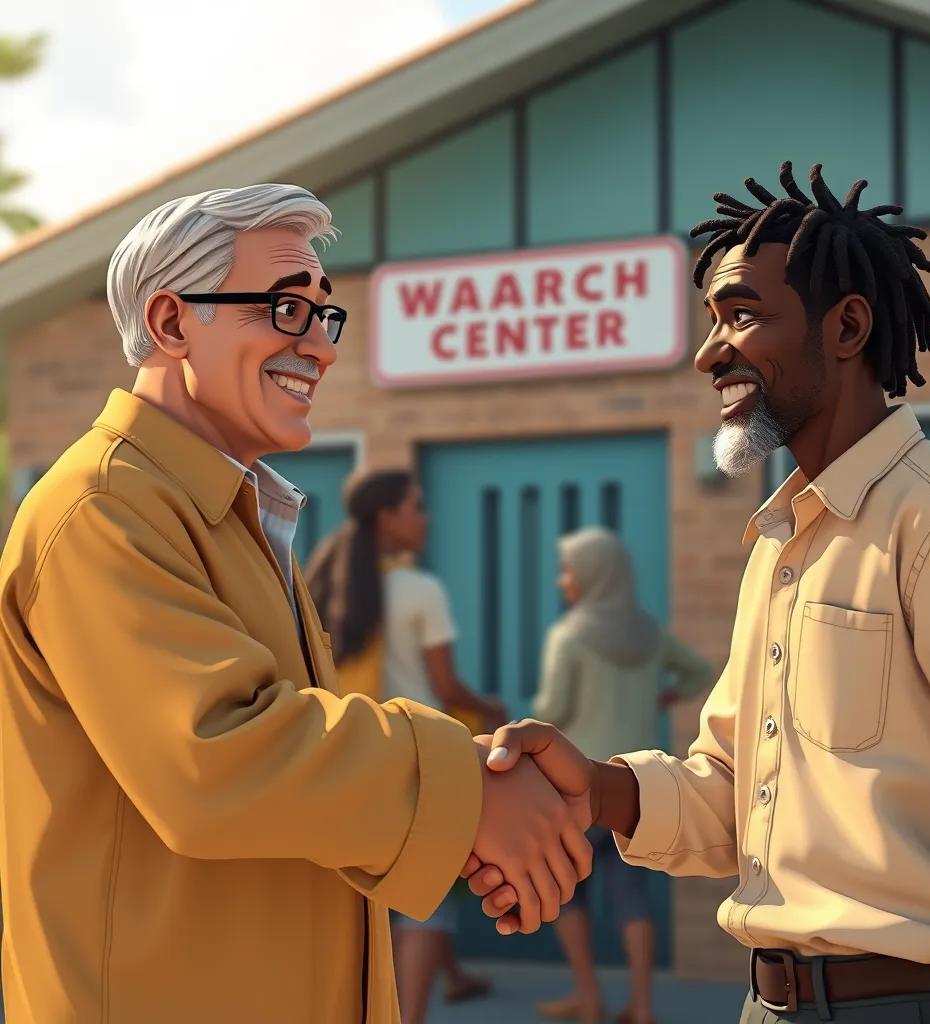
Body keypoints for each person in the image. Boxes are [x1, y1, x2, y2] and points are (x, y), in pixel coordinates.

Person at [0, 184, 591, 1023]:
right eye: (284, 309)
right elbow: (218, 758)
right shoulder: (103, 507)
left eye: (325, 314)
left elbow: (297, 771)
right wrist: (470, 791)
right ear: (172, 325)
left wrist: (465, 813)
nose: (320, 346)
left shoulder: (226, 515)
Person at [465, 162, 930, 1024]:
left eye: (742, 315)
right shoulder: (777, 543)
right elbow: (730, 792)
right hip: (768, 1005)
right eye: (713, 320)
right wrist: (594, 789)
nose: (707, 353)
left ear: (846, 326)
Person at [306, 468, 507, 1023]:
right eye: (417, 506)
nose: (426, 516)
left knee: (371, 896)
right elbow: (444, 688)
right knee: (431, 901)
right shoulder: (422, 590)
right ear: (387, 517)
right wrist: (489, 709)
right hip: (421, 761)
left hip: (352, 758)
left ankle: (453, 977)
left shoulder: (327, 580)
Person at [531, 527, 715, 1024]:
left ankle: (589, 1001)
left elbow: (551, 710)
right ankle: (644, 1006)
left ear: (593, 574)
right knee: (632, 897)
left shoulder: (568, 636)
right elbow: (701, 672)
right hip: (634, 787)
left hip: (574, 787)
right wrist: (660, 700)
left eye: (568, 569)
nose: (562, 580)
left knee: (568, 892)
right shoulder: (648, 633)